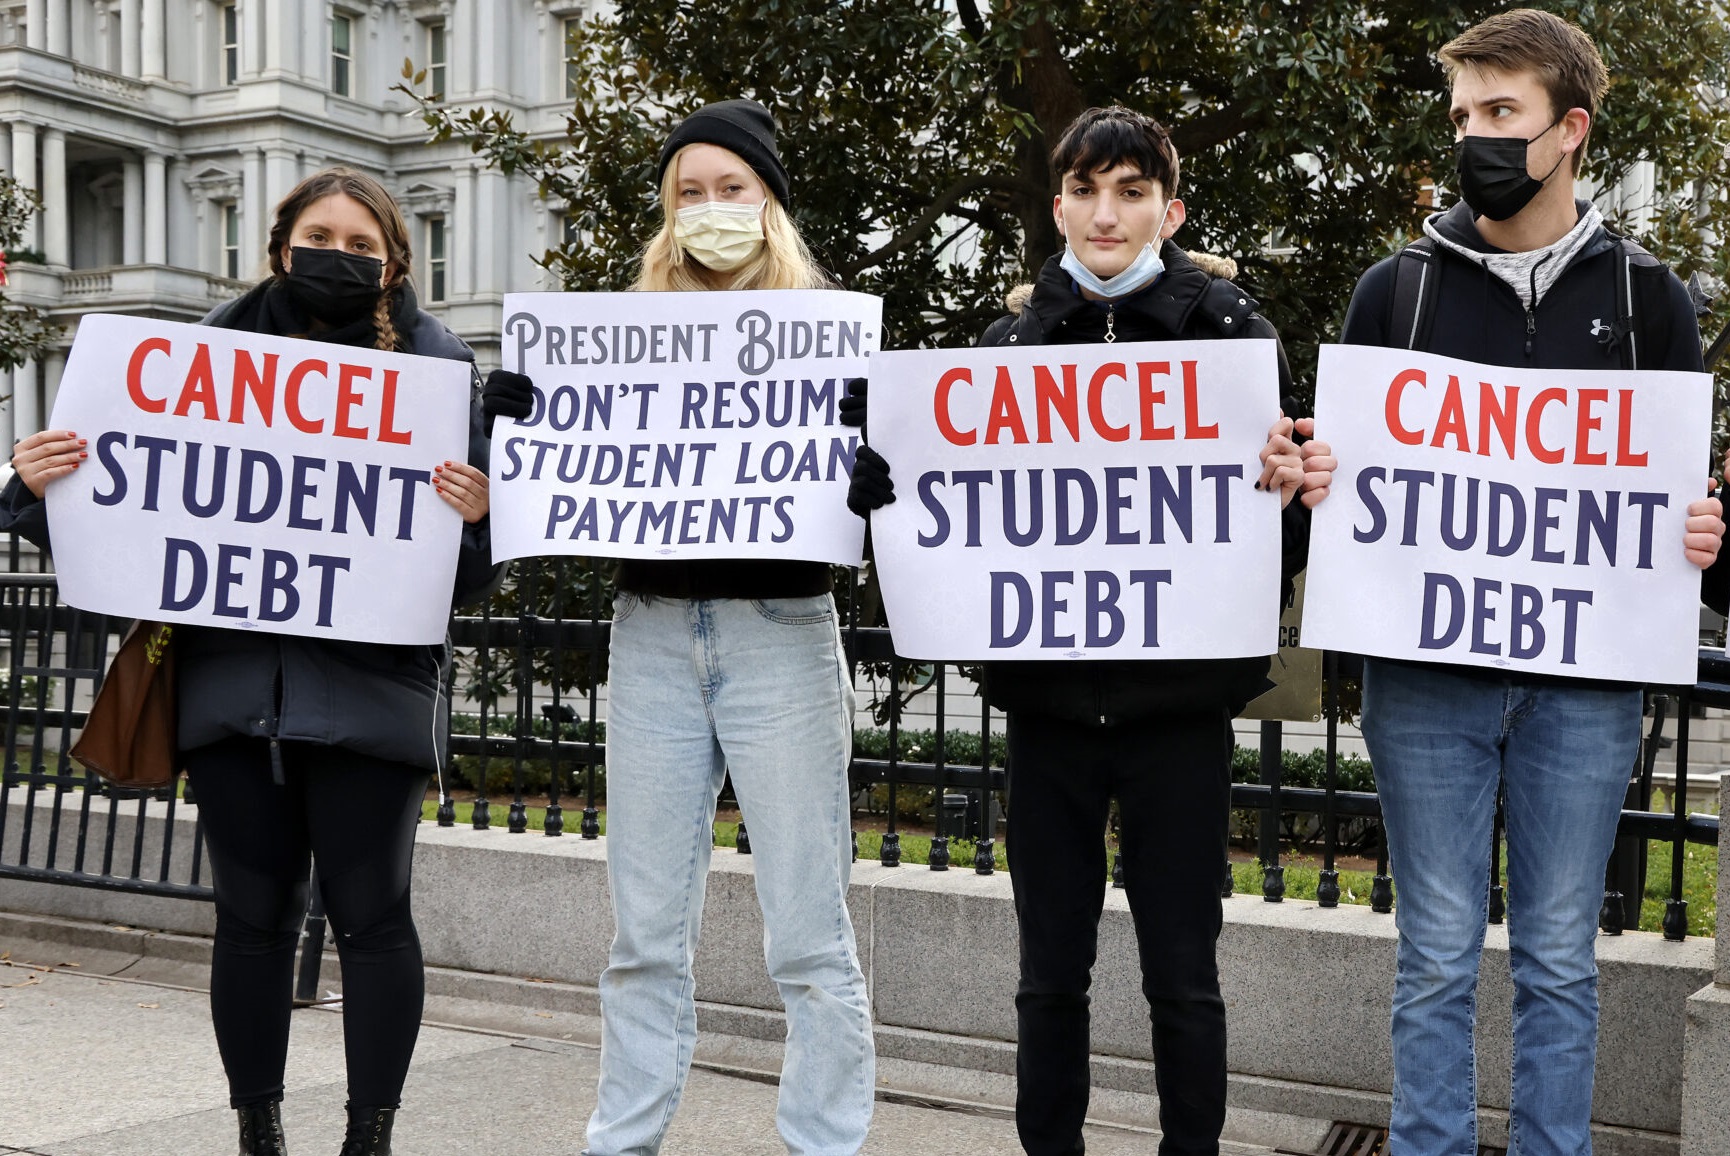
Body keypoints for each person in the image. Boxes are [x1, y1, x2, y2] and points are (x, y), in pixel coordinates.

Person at [3, 167, 522, 1156]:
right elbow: (113, 523)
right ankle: (258, 1130)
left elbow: (464, 581)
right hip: (235, 694)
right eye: (321, 235)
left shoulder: (438, 370)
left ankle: (368, 1137)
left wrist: (480, 519)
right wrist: (30, 487)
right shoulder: (181, 362)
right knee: (249, 917)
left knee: (375, 917)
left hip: (372, 698)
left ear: (393, 262)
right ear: (281, 247)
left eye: (362, 245)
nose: (341, 255)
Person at [1296, 12, 1726, 1154]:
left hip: (1580, 689)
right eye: (1461, 118)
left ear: (1567, 129)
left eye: (1501, 115)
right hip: (1425, 681)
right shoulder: (1396, 293)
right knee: (1432, 957)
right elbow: (1341, 489)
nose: (1474, 139)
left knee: (1555, 957)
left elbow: (1676, 491)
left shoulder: (1648, 303)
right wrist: (1317, 475)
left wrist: (1700, 529)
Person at [847, 105, 1307, 1156]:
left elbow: (1256, 559)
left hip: (1177, 719)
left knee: (1182, 976)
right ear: (1057, 207)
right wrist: (888, 498)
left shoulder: (1230, 334)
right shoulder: (1006, 347)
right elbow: (961, 540)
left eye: (1132, 191)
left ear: (1168, 209)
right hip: (1048, 714)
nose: (1108, 213)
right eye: (1088, 190)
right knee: (1047, 975)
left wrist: (1284, 500)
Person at [580, 99, 875, 1156]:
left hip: (778, 629)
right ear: (668, 213)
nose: (710, 209)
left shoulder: (834, 334)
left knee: (807, 929)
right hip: (652, 630)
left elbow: (888, 494)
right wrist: (522, 422)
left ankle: (823, 1143)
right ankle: (620, 1139)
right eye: (689, 193)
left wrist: (869, 466)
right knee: (642, 935)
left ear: (769, 204)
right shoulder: (617, 339)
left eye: (730, 189)